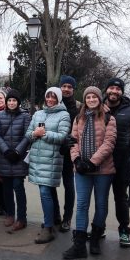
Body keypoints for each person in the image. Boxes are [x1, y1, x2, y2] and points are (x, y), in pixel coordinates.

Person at [63, 86, 117, 259]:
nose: (91, 100)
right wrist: (77, 160)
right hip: (81, 170)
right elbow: (73, 141)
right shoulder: (78, 118)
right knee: (82, 205)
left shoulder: (109, 118)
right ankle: (79, 245)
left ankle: (94, 238)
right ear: (85, 100)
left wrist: (93, 162)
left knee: (101, 205)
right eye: (88, 97)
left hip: (103, 170)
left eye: (94, 97)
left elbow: (109, 143)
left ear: (99, 99)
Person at [26, 87, 71, 244]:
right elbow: (28, 134)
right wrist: (34, 134)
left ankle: (48, 227)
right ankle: (53, 219)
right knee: (48, 190)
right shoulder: (38, 113)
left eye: (53, 97)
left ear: (58, 99)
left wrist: (43, 134)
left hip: (51, 159)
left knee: (45, 191)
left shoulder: (64, 115)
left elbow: (62, 137)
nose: (50, 100)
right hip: (37, 159)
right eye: (48, 97)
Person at [102, 77, 130, 247]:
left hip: (123, 162)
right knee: (100, 197)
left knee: (120, 198)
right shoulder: (98, 108)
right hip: (101, 160)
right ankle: (98, 227)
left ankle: (124, 230)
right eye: (111, 88)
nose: (114, 91)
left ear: (122, 92)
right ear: (106, 90)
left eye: (118, 89)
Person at [0, 89, 31, 231]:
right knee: (6, 188)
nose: (11, 103)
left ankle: (22, 218)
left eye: (14, 100)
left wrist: (17, 151)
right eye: (9, 100)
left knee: (18, 187)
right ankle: (10, 214)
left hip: (18, 158)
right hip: (4, 157)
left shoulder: (25, 116)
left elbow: (28, 135)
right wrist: (6, 150)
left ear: (18, 102)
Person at [52, 75, 81, 232]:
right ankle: (55, 214)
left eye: (70, 87)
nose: (66, 89)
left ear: (73, 89)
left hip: (70, 151)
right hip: (55, 148)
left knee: (69, 185)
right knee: (51, 184)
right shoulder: (53, 103)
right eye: (64, 86)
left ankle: (67, 218)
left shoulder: (79, 106)